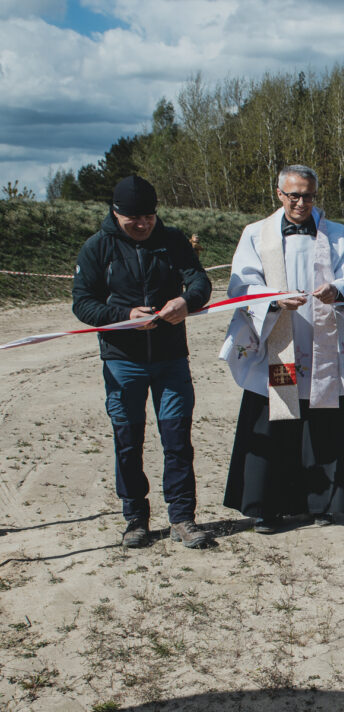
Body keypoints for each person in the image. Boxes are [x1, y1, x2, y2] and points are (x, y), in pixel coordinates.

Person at [220, 165, 344, 534]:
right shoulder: (256, 234)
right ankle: (267, 507)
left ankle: (323, 503)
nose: (302, 203)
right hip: (279, 340)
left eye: (309, 196)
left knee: (322, 423)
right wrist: (272, 300)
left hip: (320, 344)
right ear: (279, 194)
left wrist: (338, 290)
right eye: (294, 195)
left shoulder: (335, 234)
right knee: (274, 420)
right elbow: (242, 285)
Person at [72, 175, 214, 549]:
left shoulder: (173, 241)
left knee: (177, 441)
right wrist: (124, 315)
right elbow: (82, 303)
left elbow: (200, 282)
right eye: (133, 218)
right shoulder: (97, 248)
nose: (142, 225)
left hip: (171, 359)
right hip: (123, 362)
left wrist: (187, 301)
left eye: (149, 216)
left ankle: (182, 518)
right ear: (115, 213)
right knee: (128, 442)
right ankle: (135, 519)